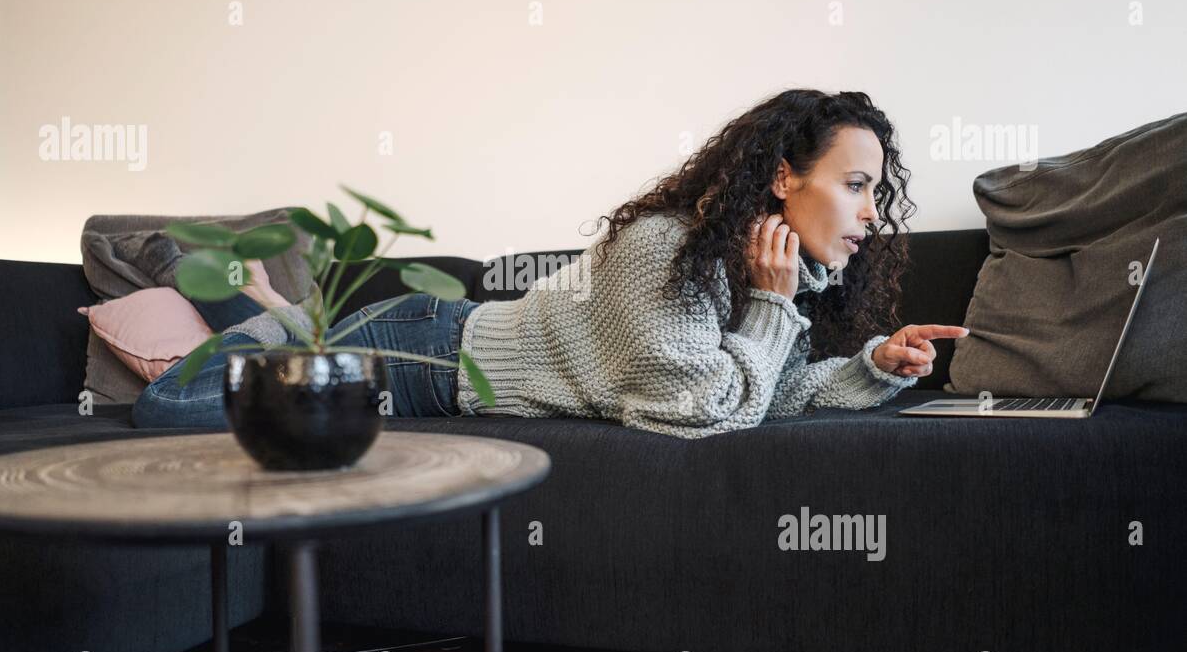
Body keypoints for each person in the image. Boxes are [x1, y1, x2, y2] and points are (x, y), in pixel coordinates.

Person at [132, 88, 968, 436]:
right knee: (170, 408)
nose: (870, 213)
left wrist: (871, 366)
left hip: (435, 355)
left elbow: (765, 389)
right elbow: (696, 407)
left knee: (264, 380)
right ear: (785, 177)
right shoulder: (663, 250)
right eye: (857, 185)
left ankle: (272, 316)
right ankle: (246, 305)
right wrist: (775, 308)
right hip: (427, 350)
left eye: (875, 192)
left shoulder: (764, 277)